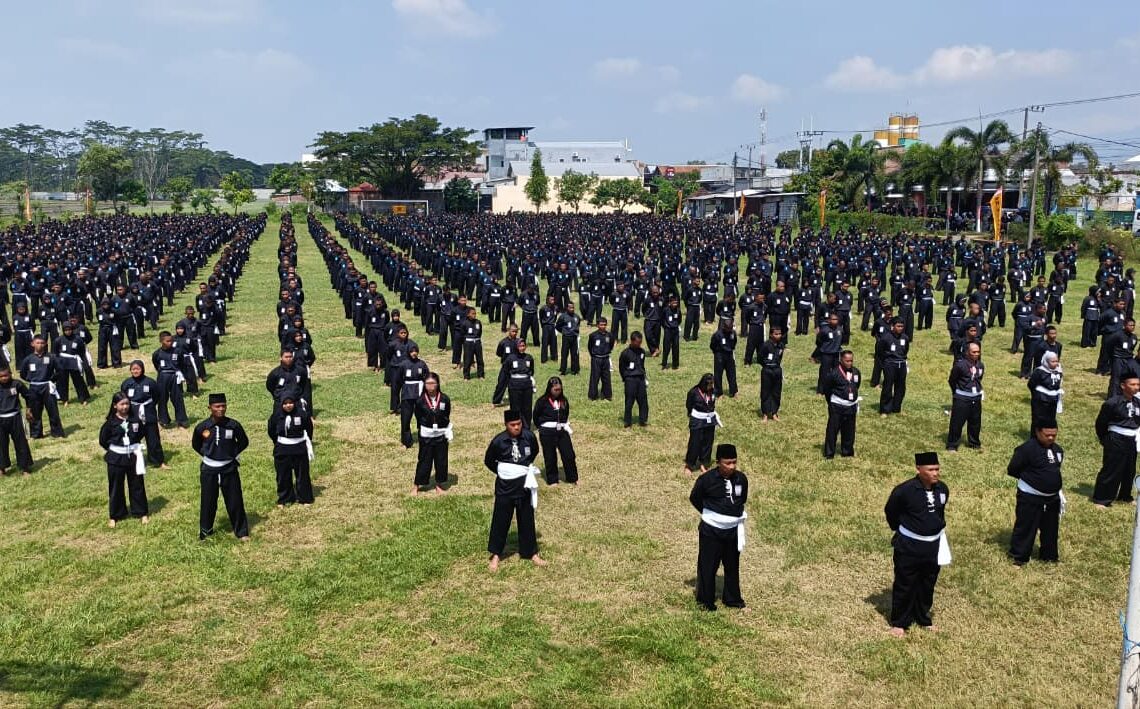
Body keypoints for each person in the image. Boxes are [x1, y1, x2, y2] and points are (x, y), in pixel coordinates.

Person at [885, 452, 950, 636]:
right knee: (905, 582)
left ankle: (922, 617)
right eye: (930, 470)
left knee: (928, 582)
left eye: (937, 469)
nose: (935, 473)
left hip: (934, 545)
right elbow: (891, 511)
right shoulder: (904, 491)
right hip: (909, 545)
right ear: (919, 469)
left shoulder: (942, 489)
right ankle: (900, 622)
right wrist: (902, 528)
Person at [484, 409, 546, 571]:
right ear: (506, 425)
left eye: (518, 424)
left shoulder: (529, 437)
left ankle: (530, 552)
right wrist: (505, 472)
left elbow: (534, 451)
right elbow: (489, 460)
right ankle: (496, 554)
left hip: (524, 485)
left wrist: (521, 469)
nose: (516, 427)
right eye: (512, 425)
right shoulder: (499, 441)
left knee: (526, 518)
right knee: (501, 519)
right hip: (505, 487)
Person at [689, 443, 749, 612]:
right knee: (708, 566)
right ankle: (705, 601)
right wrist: (711, 513)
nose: (732, 466)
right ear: (718, 462)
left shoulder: (741, 479)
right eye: (727, 463)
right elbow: (695, 498)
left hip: (732, 531)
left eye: (734, 462)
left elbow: (742, 499)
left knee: (732, 566)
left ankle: (732, 599)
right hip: (712, 531)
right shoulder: (706, 480)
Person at [191, 393, 250, 541]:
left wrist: (232, 454)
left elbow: (244, 442)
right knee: (208, 501)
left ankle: (241, 532)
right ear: (210, 408)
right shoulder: (202, 427)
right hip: (209, 469)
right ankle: (206, 532)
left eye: (223, 406)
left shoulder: (233, 425)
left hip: (228, 468)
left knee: (235, 500)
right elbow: (196, 444)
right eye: (217, 406)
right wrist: (208, 454)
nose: (221, 409)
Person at [1007, 416, 1063, 566]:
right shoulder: (1026, 449)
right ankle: (1019, 556)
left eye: (1054, 435)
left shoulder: (1058, 450)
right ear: (1038, 432)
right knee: (1026, 527)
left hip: (1052, 498)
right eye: (1047, 435)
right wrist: (1032, 480)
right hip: (1030, 496)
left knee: (1050, 528)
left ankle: (1049, 556)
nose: (1051, 438)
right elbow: (1013, 469)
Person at [99, 392, 149, 528]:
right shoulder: (110, 423)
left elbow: (141, 433)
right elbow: (103, 440)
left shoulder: (135, 420)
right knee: (116, 486)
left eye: (127, 403)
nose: (125, 407)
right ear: (115, 406)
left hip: (133, 456)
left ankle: (141, 512)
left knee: (137, 484)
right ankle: (116, 514)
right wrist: (116, 449)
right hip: (116, 458)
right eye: (122, 404)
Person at [1092, 373, 1140, 507]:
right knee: (1112, 469)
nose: (1136, 387)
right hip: (1116, 438)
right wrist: (1105, 439)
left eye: (1138, 384)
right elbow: (1101, 423)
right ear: (1123, 386)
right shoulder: (1112, 403)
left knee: (1129, 469)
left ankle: (1125, 495)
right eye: (1132, 384)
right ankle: (1102, 499)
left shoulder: (1137, 403)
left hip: (1132, 439)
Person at [267, 394, 314, 508]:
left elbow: (309, 428)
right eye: (285, 403)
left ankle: (304, 497)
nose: (288, 405)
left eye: (290, 403)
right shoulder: (276, 415)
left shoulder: (302, 414)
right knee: (283, 475)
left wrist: (306, 441)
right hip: (282, 449)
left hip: (299, 448)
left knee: (302, 475)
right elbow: (271, 430)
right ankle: (285, 498)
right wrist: (278, 442)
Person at [533, 377, 577, 485]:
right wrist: (542, 428)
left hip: (561, 430)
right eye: (555, 390)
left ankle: (572, 478)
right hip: (547, 432)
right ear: (550, 389)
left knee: (569, 455)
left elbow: (566, 414)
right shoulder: (542, 401)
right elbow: (536, 416)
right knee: (550, 456)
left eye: (559, 390)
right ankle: (552, 480)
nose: (558, 392)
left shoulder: (564, 401)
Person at [412, 372, 451, 495]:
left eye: (432, 383)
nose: (430, 386)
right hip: (426, 435)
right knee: (424, 460)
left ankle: (439, 484)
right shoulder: (420, 401)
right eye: (427, 383)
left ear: (437, 384)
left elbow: (447, 414)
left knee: (441, 461)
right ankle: (416, 486)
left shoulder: (444, 399)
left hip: (440, 434)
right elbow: (418, 416)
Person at [19, 335, 64, 439]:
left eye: (42, 343)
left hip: (47, 387)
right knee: (35, 411)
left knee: (53, 410)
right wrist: (31, 380)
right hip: (34, 388)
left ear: (45, 344)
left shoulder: (51, 357)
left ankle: (56, 432)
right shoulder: (28, 359)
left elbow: (59, 370)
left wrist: (52, 380)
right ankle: (36, 434)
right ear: (32, 344)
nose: (40, 345)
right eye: (38, 343)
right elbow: (22, 373)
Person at [823, 350, 860, 459]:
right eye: (847, 361)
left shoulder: (856, 372)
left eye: (851, 361)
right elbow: (827, 388)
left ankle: (847, 452)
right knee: (833, 430)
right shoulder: (834, 373)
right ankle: (829, 453)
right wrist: (831, 402)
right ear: (841, 360)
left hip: (850, 406)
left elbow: (856, 386)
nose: (849, 363)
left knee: (849, 430)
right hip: (837, 405)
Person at [947, 343, 984, 451]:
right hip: (962, 398)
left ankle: (974, 443)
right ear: (967, 352)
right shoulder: (960, 365)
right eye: (974, 352)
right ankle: (952, 445)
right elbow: (952, 380)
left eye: (978, 352)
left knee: (975, 423)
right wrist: (957, 392)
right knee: (957, 423)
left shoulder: (980, 365)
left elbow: (978, 379)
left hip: (975, 398)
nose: (976, 354)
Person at [684, 374, 721, 475]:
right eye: (709, 384)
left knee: (708, 442)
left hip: (709, 420)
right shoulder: (694, 392)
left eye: (712, 384)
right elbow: (689, 404)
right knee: (695, 442)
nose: (711, 386)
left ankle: (703, 463)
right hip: (697, 420)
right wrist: (690, 413)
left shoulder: (713, 391)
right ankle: (689, 465)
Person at [0, 368, 33, 475]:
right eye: (1, 376)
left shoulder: (16, 384)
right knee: (1, 444)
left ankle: (25, 468)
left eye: (6, 375)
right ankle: (2, 468)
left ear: (10, 374)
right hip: (1, 418)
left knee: (21, 443)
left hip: (15, 417)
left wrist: (28, 410)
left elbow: (28, 396)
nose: (4, 378)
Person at [152, 331, 189, 428]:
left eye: (171, 340)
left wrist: (180, 374)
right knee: (162, 398)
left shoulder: (177, 351)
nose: (170, 343)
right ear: (161, 341)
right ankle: (164, 419)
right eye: (167, 341)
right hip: (163, 377)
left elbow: (182, 363)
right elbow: (156, 364)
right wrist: (162, 372)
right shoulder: (157, 353)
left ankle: (181, 420)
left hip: (175, 376)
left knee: (178, 398)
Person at [397, 344, 430, 448]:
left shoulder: (422, 364)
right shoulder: (403, 364)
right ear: (408, 352)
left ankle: (424, 438)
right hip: (407, 394)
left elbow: (427, 378)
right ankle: (406, 442)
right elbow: (398, 380)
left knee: (422, 417)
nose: (414, 353)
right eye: (412, 351)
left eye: (416, 351)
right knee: (405, 419)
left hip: (419, 394)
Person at [877, 317, 909, 416]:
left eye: (902, 326)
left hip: (901, 364)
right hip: (890, 364)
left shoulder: (905, 338)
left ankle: (896, 408)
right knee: (887, 387)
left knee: (901, 387)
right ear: (892, 326)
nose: (900, 328)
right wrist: (885, 363)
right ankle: (885, 410)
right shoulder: (886, 337)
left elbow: (906, 350)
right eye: (898, 326)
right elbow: (880, 351)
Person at [503, 340, 536, 429]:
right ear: (516, 347)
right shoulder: (510, 358)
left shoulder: (529, 358)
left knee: (527, 407)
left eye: (523, 346)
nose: (522, 348)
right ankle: (516, 426)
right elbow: (506, 371)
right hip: (514, 386)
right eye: (520, 346)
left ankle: (527, 427)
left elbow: (531, 371)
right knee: (515, 408)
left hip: (526, 385)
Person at [1027, 351, 1063, 432]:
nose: (1056, 363)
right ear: (1046, 361)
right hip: (1040, 402)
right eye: (1053, 361)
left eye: (1056, 361)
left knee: (1050, 420)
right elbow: (1031, 384)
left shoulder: (1058, 371)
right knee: (1038, 420)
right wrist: (1038, 395)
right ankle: (1035, 437)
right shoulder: (1039, 372)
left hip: (1053, 401)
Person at [619, 331, 649, 428]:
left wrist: (644, 377)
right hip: (630, 379)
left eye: (640, 342)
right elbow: (621, 367)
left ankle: (643, 420)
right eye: (637, 342)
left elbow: (642, 365)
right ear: (632, 341)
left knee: (643, 401)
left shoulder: (642, 352)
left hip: (640, 379)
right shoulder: (625, 353)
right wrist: (626, 378)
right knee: (629, 401)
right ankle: (627, 422)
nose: (639, 344)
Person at [758, 326, 785, 421]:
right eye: (776, 334)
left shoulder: (781, 345)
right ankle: (765, 413)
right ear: (771, 334)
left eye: (780, 334)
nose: (778, 336)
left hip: (777, 370)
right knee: (765, 392)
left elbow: (780, 357)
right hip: (767, 370)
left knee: (776, 392)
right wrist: (767, 365)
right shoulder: (766, 345)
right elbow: (760, 358)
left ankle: (774, 412)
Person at [586, 317, 614, 401]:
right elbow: (590, 346)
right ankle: (592, 396)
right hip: (596, 359)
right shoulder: (593, 335)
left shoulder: (609, 335)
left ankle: (607, 395)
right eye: (601, 325)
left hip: (606, 358)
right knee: (595, 377)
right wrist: (594, 355)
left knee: (606, 377)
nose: (603, 326)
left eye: (605, 325)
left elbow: (611, 345)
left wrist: (606, 351)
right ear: (597, 325)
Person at [710, 319, 738, 397]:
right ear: (724, 327)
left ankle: (733, 391)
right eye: (728, 328)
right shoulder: (717, 335)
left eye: (731, 328)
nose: (729, 330)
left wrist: (731, 349)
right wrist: (717, 353)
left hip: (729, 355)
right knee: (718, 375)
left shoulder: (733, 333)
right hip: (720, 355)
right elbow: (712, 345)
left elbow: (734, 342)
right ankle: (718, 393)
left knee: (732, 374)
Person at [556, 302, 582, 376]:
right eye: (570, 307)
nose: (572, 309)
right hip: (566, 338)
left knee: (575, 354)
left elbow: (578, 325)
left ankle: (575, 370)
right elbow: (557, 326)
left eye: (573, 307)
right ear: (567, 308)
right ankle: (563, 371)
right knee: (564, 354)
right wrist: (564, 332)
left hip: (574, 337)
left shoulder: (577, 316)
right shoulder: (563, 316)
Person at [462, 307, 485, 380]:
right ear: (468, 314)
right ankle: (466, 376)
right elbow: (462, 333)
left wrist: (477, 339)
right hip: (468, 343)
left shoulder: (478, 322)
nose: (474, 315)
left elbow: (480, 332)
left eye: (475, 313)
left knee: (480, 359)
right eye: (472, 314)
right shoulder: (465, 323)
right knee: (467, 360)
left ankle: (481, 375)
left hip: (477, 342)